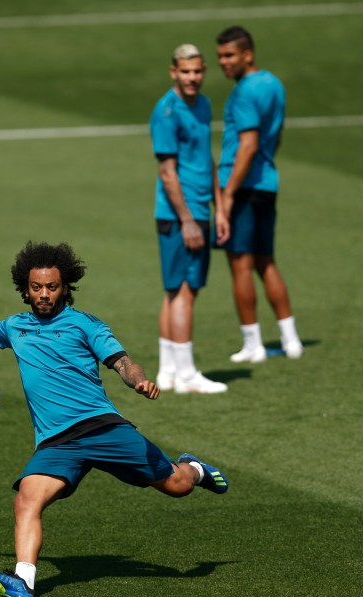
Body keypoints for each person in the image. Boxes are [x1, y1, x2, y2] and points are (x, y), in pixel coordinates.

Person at [0, 241, 229, 597]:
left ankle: (195, 469)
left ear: (65, 287)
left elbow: (122, 361)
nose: (44, 295)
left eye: (52, 287)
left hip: (102, 428)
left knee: (177, 485)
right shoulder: (17, 327)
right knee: (26, 499)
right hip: (57, 443)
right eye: (36, 288)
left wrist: (137, 380)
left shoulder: (84, 325)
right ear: (25, 290)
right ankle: (24, 581)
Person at [215, 26, 304, 361]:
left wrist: (227, 195)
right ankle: (291, 339)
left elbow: (247, 145)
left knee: (240, 263)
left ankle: (253, 345)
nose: (223, 63)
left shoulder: (243, 93)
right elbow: (274, 135)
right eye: (220, 56)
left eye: (229, 56)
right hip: (267, 181)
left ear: (247, 54)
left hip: (242, 186)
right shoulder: (273, 84)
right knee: (266, 261)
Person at [149, 44, 229, 394]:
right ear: (173, 72)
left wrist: (220, 206)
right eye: (185, 72)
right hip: (182, 214)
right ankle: (187, 375)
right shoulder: (166, 112)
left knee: (173, 292)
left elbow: (205, 157)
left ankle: (168, 371)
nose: (192, 77)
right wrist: (189, 220)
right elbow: (167, 172)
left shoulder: (205, 105)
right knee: (185, 291)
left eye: (197, 71)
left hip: (198, 209)